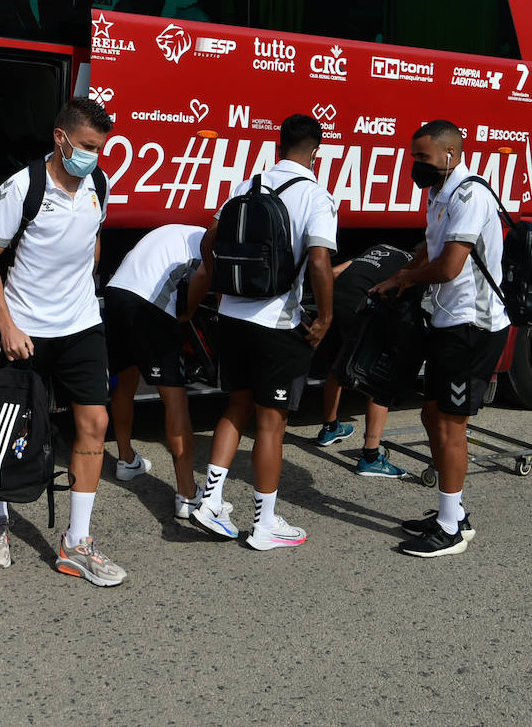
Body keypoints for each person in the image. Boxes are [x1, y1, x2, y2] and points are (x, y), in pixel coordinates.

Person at [0, 96, 124, 586]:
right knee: (11, 431)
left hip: (82, 324)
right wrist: (7, 326)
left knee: (95, 423)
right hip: (28, 331)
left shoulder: (98, 182)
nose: (93, 156)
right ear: (60, 138)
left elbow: (94, 237)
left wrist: (83, 285)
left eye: (99, 148)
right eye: (85, 146)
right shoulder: (22, 188)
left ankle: (76, 544)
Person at [190, 114, 337, 551]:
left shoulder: (247, 185)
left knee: (234, 408)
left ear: (278, 145)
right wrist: (325, 318)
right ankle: (265, 524)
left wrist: (220, 289)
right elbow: (318, 262)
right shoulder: (316, 195)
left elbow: (207, 243)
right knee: (272, 424)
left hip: (233, 318)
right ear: (316, 153)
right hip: (276, 324)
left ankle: (211, 499)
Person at [374, 120, 509, 558]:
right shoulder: (440, 191)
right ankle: (453, 511)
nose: (415, 166)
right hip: (448, 322)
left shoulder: (469, 194)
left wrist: (412, 277)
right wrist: (401, 275)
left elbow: (450, 266)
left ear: (450, 154)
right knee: (432, 415)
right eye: (413, 157)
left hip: (474, 326)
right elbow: (432, 248)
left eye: (422, 158)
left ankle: (452, 530)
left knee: (451, 424)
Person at [104, 223, 204, 518]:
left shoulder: (180, 231)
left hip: (116, 293)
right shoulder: (211, 243)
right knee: (175, 399)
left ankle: (126, 460)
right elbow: (204, 276)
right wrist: (188, 313)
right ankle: (187, 494)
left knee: (125, 380)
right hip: (149, 304)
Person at [316, 243, 415, 478]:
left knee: (337, 366)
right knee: (380, 378)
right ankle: (370, 457)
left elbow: (333, 272)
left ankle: (330, 428)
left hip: (336, 298)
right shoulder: (413, 265)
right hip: (362, 305)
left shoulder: (376, 249)